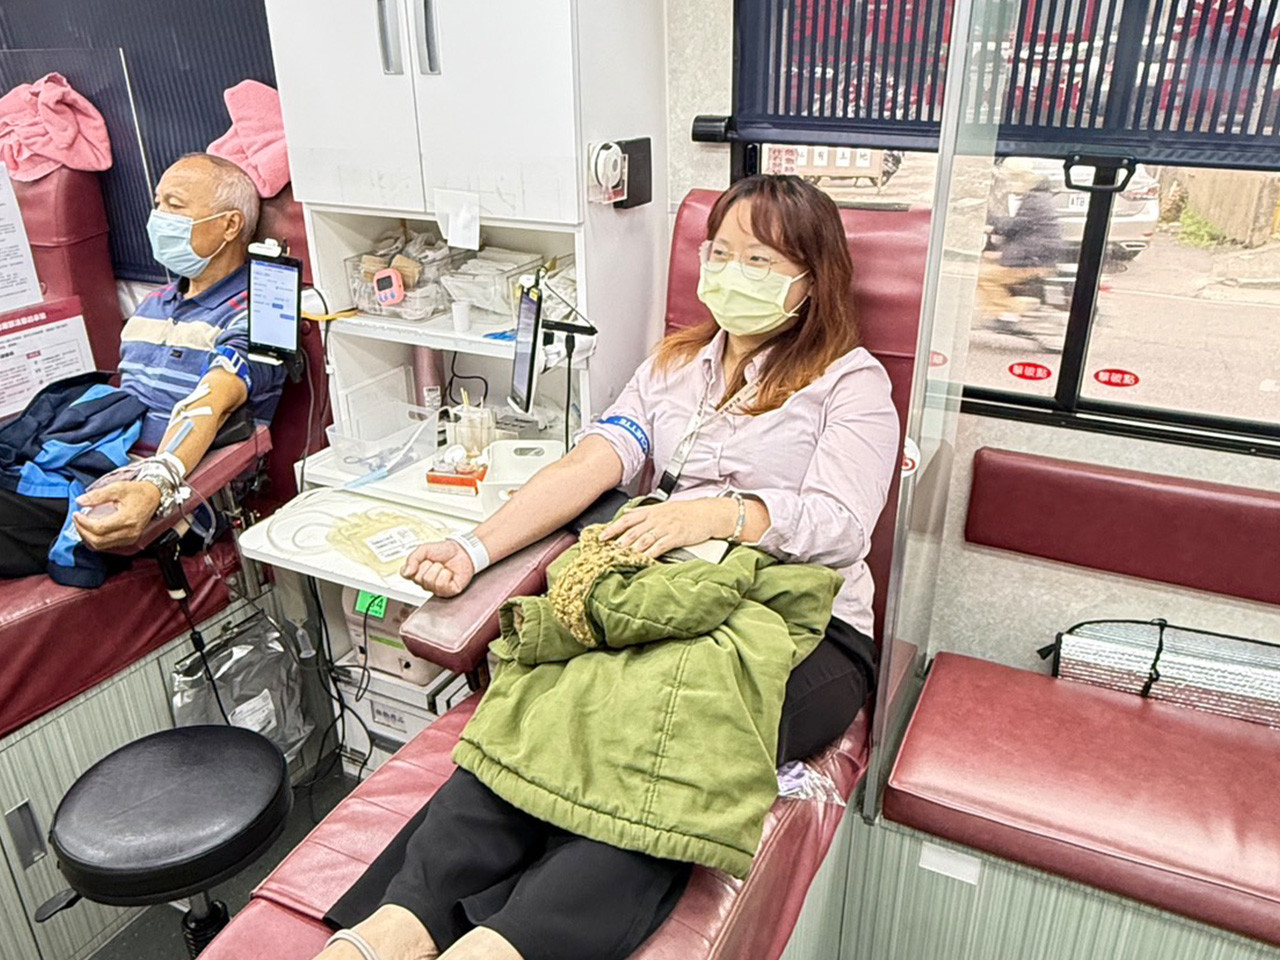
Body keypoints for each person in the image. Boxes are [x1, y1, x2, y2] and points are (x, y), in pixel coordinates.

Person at [317, 174, 900, 960]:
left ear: (812, 277)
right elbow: (593, 463)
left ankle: (506, 944)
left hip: (802, 627)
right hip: (669, 596)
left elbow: (842, 526)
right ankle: (401, 922)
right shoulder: (676, 364)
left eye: (759, 260)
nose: (730, 273)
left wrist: (714, 514)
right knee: (544, 698)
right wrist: (473, 548)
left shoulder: (850, 383)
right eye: (719, 253)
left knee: (666, 729)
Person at [0, 152, 285, 576]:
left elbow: (214, 400)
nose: (158, 217)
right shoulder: (151, 307)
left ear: (229, 225)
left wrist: (157, 482)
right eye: (157, 203)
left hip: (165, 498)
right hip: (89, 465)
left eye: (175, 205)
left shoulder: (265, 311)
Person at [977, 156, 1064, 325]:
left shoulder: (1035, 200)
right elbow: (1021, 229)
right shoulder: (1038, 197)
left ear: (1020, 179)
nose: (1009, 185)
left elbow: (1015, 227)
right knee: (987, 261)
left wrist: (991, 223)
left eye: (1010, 180)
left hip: (1033, 258)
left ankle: (1009, 313)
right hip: (1034, 254)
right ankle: (1006, 308)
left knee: (984, 277)